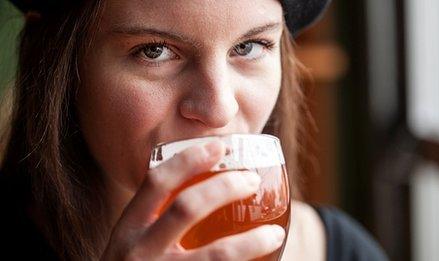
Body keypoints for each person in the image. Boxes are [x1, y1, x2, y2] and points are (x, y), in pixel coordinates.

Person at [0, 0, 388, 260]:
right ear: (59, 70)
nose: (219, 109)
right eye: (154, 51)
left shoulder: (341, 249)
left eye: (250, 46)